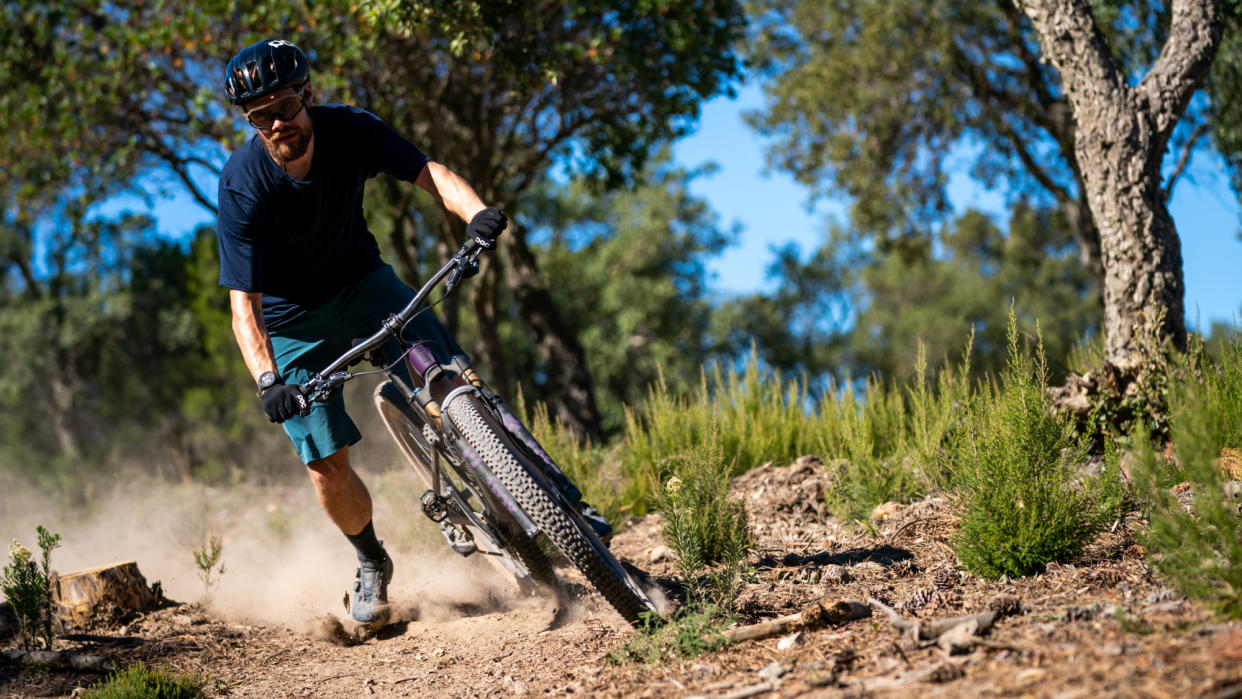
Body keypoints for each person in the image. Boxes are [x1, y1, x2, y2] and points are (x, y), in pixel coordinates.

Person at [215, 38, 510, 625]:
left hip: (363, 284)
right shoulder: (242, 185)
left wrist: (475, 215)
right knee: (325, 462)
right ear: (250, 121)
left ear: (309, 95)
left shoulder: (350, 130)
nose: (278, 122)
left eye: (287, 105)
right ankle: (371, 559)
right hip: (290, 319)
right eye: (260, 115)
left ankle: (541, 488)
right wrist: (269, 380)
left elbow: (431, 174)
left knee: (449, 377)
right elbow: (242, 304)